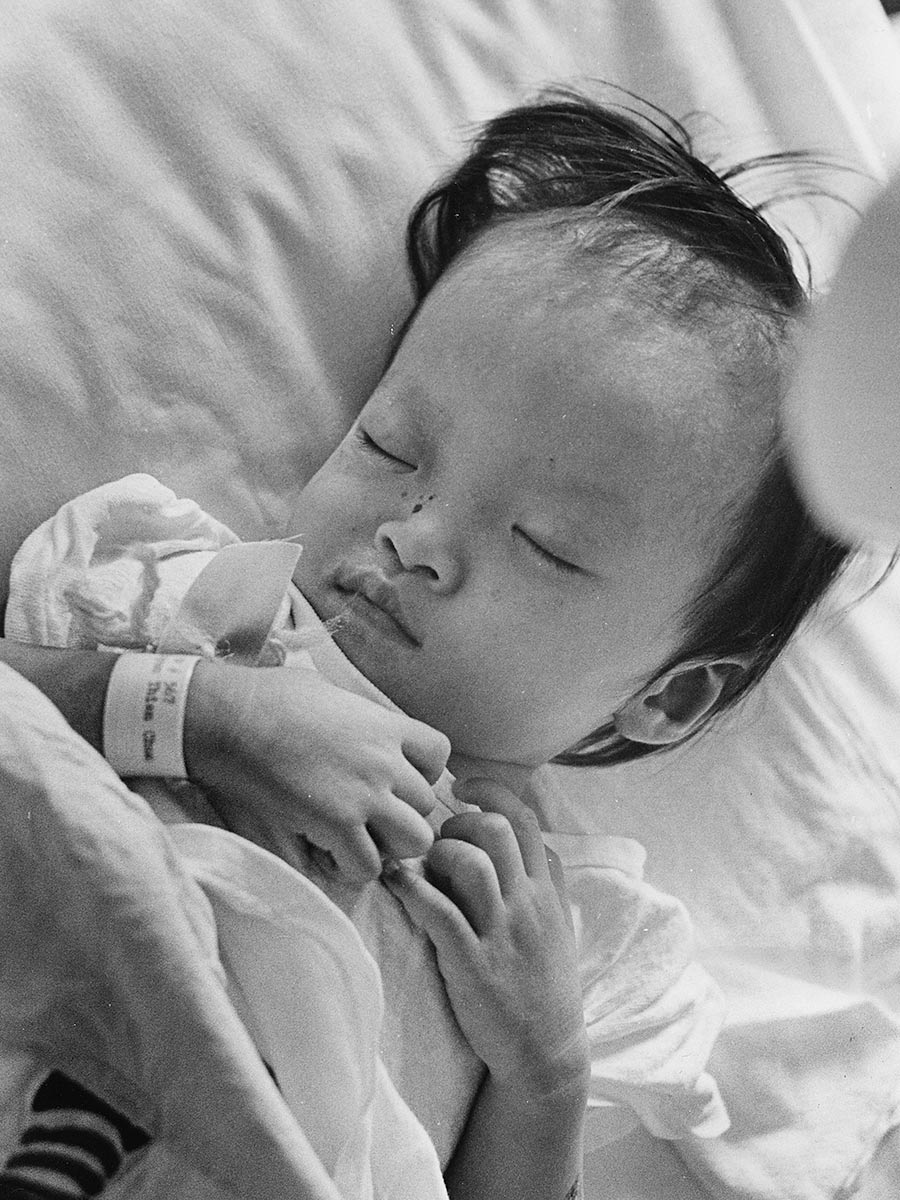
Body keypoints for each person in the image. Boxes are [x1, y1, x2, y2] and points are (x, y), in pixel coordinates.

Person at [0, 91, 852, 1200]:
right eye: (391, 446)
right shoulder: (184, 598)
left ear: (669, 699)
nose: (417, 536)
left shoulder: (579, 939)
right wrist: (199, 714)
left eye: (543, 544)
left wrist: (540, 1074)